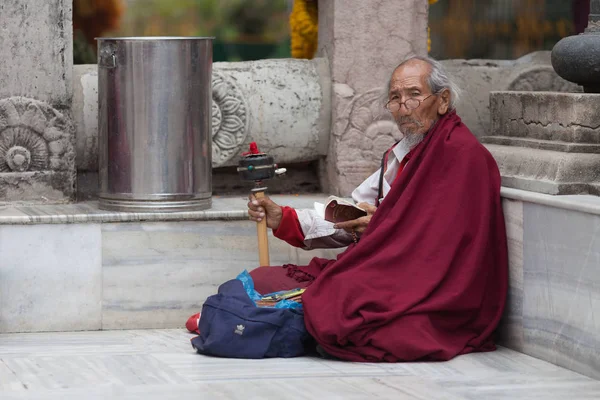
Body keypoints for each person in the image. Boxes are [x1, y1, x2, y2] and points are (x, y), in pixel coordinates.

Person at [187, 55, 508, 363]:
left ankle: (246, 322)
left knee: (344, 311)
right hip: (380, 270)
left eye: (414, 95)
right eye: (395, 99)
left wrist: (382, 230)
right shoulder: (401, 155)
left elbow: (441, 246)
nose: (403, 108)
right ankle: (242, 318)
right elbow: (350, 214)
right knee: (261, 279)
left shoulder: (464, 156)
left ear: (443, 100)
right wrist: (282, 217)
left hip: (420, 291)